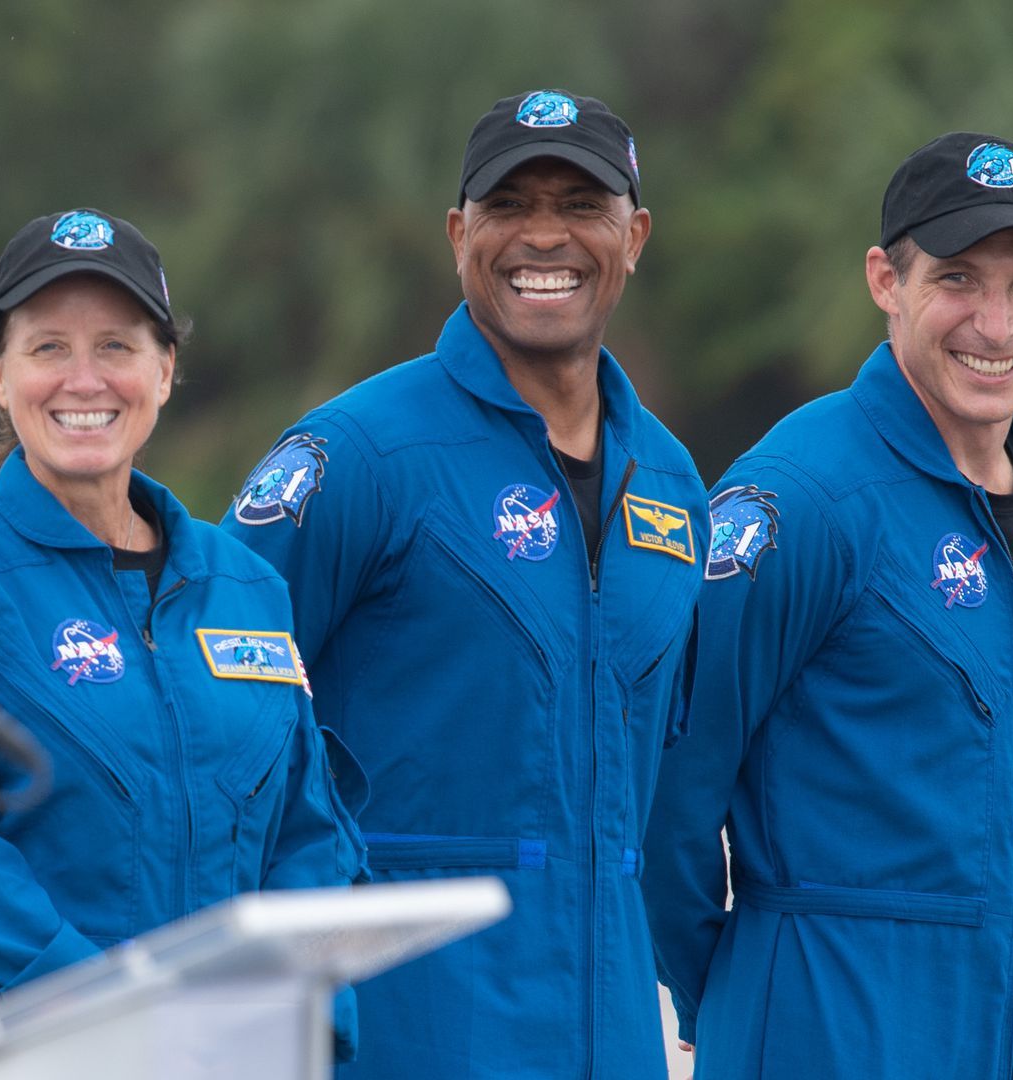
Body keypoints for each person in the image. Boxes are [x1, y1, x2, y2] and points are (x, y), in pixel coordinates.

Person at [221, 90, 706, 1078]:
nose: (543, 235)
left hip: (611, 1026)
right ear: (458, 234)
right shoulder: (359, 456)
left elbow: (664, 783)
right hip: (406, 1021)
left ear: (635, 235)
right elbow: (217, 714)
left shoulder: (672, 485)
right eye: (509, 204)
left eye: (580, 204)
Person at [0, 209, 366, 1059]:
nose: (84, 380)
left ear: (164, 371)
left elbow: (310, 831)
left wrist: (295, 1010)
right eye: (49, 347)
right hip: (21, 1055)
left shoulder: (246, 586)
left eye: (117, 347)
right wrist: (113, 1014)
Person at [642, 132, 1013, 1078]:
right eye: (957, 279)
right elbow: (669, 789)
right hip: (826, 1022)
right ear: (884, 282)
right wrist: (730, 987)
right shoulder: (801, 499)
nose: (996, 321)